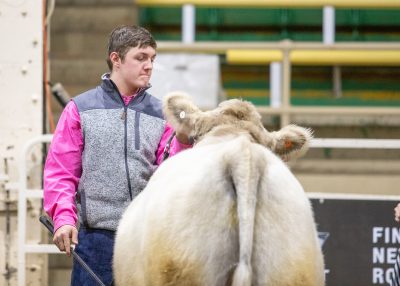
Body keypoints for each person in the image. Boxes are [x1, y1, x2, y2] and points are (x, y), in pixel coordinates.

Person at [43, 25, 191, 285]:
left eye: (152, 59)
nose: (149, 66)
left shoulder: (161, 113)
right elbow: (61, 172)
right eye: (141, 58)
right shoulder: (80, 109)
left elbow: (170, 172)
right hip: (94, 240)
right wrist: (64, 219)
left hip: (145, 238)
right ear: (116, 59)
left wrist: (183, 139)